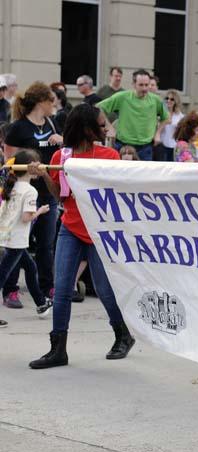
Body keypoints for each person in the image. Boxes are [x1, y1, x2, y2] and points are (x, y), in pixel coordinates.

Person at [29, 104, 135, 369]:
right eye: (101, 125)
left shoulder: (109, 155)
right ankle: (58, 350)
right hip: (70, 228)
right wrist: (44, 176)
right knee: (62, 288)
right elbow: (59, 196)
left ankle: (122, 334)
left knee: (103, 289)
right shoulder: (61, 157)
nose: (106, 128)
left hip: (99, 233)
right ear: (86, 129)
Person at [3, 82, 62, 309]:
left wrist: (61, 141)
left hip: (46, 191)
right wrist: (29, 168)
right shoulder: (18, 128)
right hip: (24, 191)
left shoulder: (51, 123)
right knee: (17, 243)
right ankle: (10, 290)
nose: (54, 105)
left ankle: (48, 287)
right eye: (51, 101)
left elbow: (59, 156)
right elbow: (10, 164)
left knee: (46, 243)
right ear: (41, 102)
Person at [0, 149, 53, 320]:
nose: (41, 167)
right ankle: (41, 303)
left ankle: (41, 304)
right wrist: (40, 211)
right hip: (16, 240)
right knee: (2, 275)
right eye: (38, 164)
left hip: (8, 236)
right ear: (30, 168)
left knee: (30, 268)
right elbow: (25, 218)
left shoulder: (11, 186)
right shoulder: (30, 191)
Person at [97, 69, 168, 161]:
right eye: (141, 85)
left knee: (144, 175)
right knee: (121, 175)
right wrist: (109, 127)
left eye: (147, 85)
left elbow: (166, 118)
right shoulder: (122, 97)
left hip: (146, 148)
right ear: (134, 84)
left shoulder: (156, 100)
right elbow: (98, 108)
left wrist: (158, 133)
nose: (144, 88)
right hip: (123, 147)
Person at [154, 89, 184, 161]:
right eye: (167, 98)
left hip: (174, 146)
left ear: (176, 101)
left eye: (172, 99)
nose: (169, 101)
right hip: (161, 145)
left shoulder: (179, 116)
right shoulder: (160, 113)